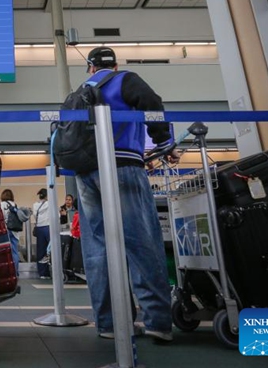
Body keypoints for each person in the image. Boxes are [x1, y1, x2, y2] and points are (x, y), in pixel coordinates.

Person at [75, 46, 180, 342]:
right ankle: (157, 321)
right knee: (141, 242)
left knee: (98, 249)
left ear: (91, 68)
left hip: (86, 173)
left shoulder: (81, 89)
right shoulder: (125, 79)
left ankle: (109, 324)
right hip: (123, 166)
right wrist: (164, 142)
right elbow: (152, 103)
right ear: (115, 64)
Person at [0, 189, 28, 276]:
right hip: (15, 231)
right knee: (14, 252)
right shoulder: (15, 205)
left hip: (5, 230)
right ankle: (15, 272)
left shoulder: (2, 204)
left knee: (4, 252)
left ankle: (6, 272)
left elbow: (0, 217)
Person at [32, 188, 50, 279]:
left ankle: (42, 273)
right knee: (51, 250)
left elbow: (35, 216)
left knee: (41, 251)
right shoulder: (50, 203)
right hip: (48, 227)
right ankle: (53, 270)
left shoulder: (35, 205)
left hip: (39, 228)